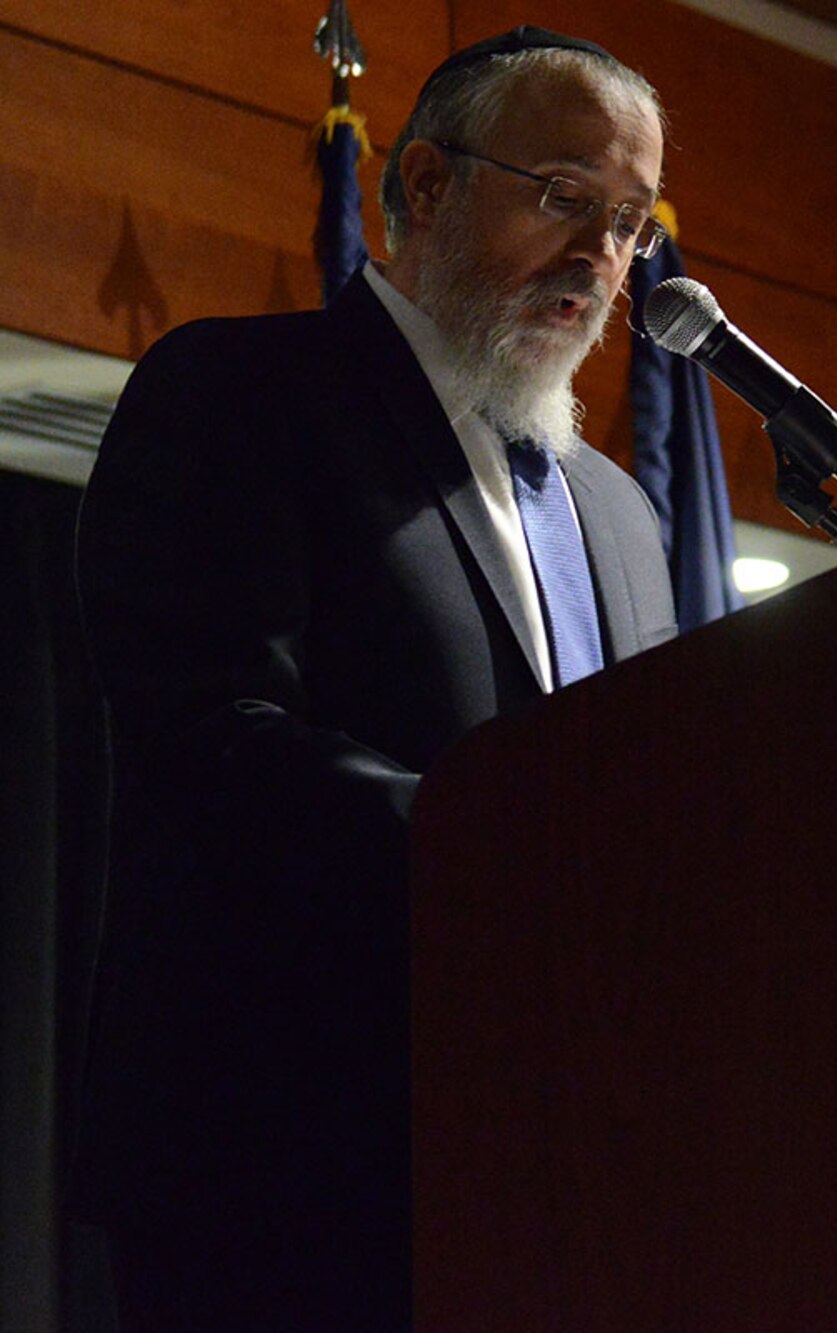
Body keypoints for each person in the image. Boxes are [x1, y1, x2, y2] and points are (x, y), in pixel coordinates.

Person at [71, 27, 678, 1330]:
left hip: (570, 1176)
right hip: (286, 1173)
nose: (602, 258)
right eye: (565, 195)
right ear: (422, 186)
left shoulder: (623, 514)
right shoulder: (240, 393)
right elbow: (213, 735)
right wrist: (524, 846)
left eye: (630, 222)